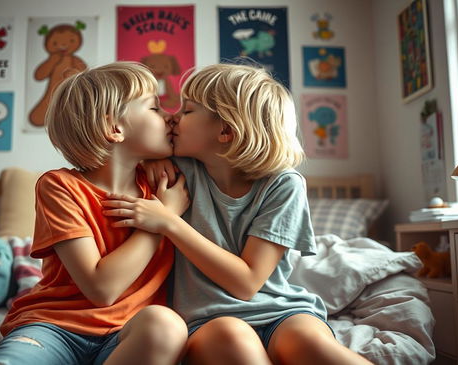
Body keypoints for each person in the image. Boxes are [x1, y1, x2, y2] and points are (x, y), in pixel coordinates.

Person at [102, 63, 372, 365]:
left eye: (188, 111)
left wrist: (170, 222)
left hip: (281, 311)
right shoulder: (179, 172)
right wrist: (148, 161)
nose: (173, 117)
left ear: (226, 130)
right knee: (233, 338)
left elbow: (247, 283)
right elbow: (123, 160)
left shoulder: (283, 184)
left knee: (310, 343)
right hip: (208, 319)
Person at [0, 62, 189, 365]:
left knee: (167, 326)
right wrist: (163, 220)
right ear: (114, 128)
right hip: (56, 327)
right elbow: (102, 289)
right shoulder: (60, 186)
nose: (171, 118)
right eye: (155, 108)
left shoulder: (168, 182)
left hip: (128, 335)